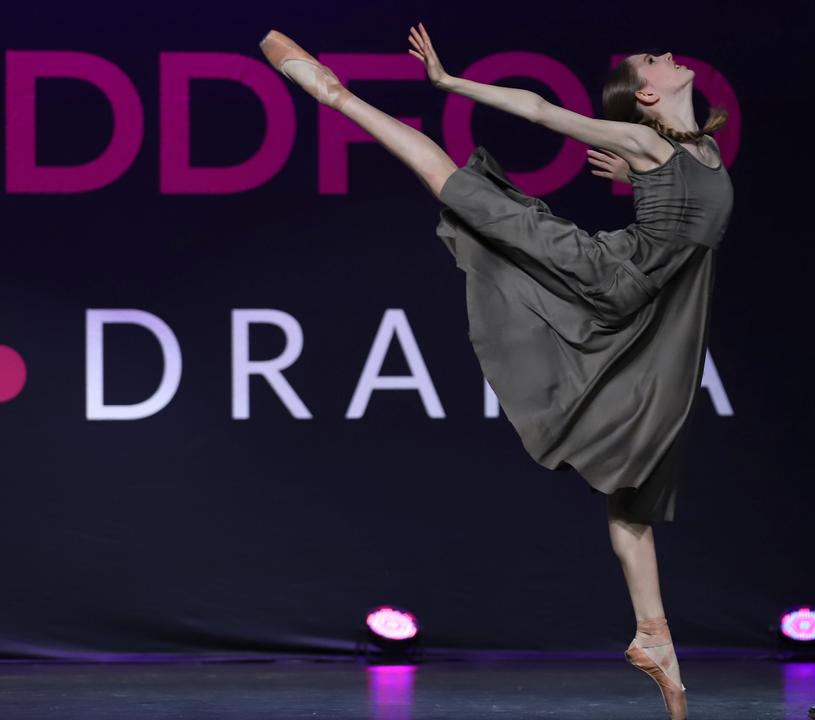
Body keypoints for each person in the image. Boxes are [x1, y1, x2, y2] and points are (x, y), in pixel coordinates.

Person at [259, 26, 733, 720]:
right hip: (612, 276)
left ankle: (654, 636)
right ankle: (338, 96)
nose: (665, 53)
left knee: (635, 462)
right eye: (651, 60)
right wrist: (450, 85)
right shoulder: (649, 141)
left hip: (657, 312)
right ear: (649, 93)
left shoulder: (695, 149)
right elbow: (543, 112)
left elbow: (685, 208)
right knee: (455, 185)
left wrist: (641, 179)